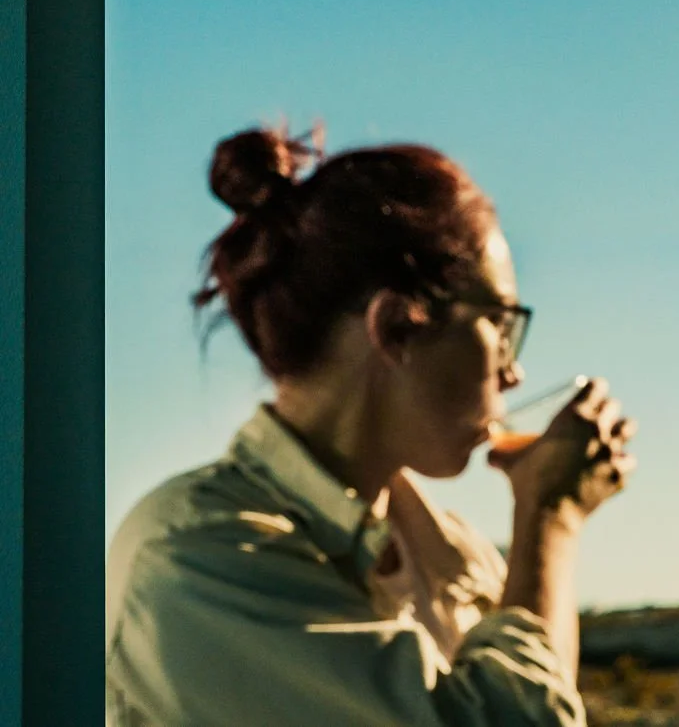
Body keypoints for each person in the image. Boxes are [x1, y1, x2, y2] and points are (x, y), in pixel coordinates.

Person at [105, 124, 638, 726]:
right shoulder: (197, 559)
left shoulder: (454, 557)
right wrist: (550, 518)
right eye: (499, 324)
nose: (513, 374)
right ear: (397, 327)